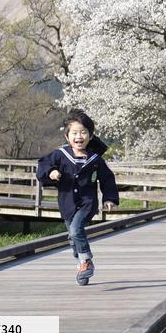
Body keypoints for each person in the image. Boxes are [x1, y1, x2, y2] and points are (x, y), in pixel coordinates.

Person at [37, 109, 118, 286]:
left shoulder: (95, 159)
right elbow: (43, 165)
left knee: (75, 231)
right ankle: (82, 265)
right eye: (74, 133)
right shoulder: (60, 155)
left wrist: (109, 198)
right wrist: (52, 172)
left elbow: (107, 178)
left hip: (87, 203)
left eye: (83, 132)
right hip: (67, 202)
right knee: (72, 236)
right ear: (67, 136)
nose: (79, 136)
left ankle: (86, 260)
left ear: (90, 136)